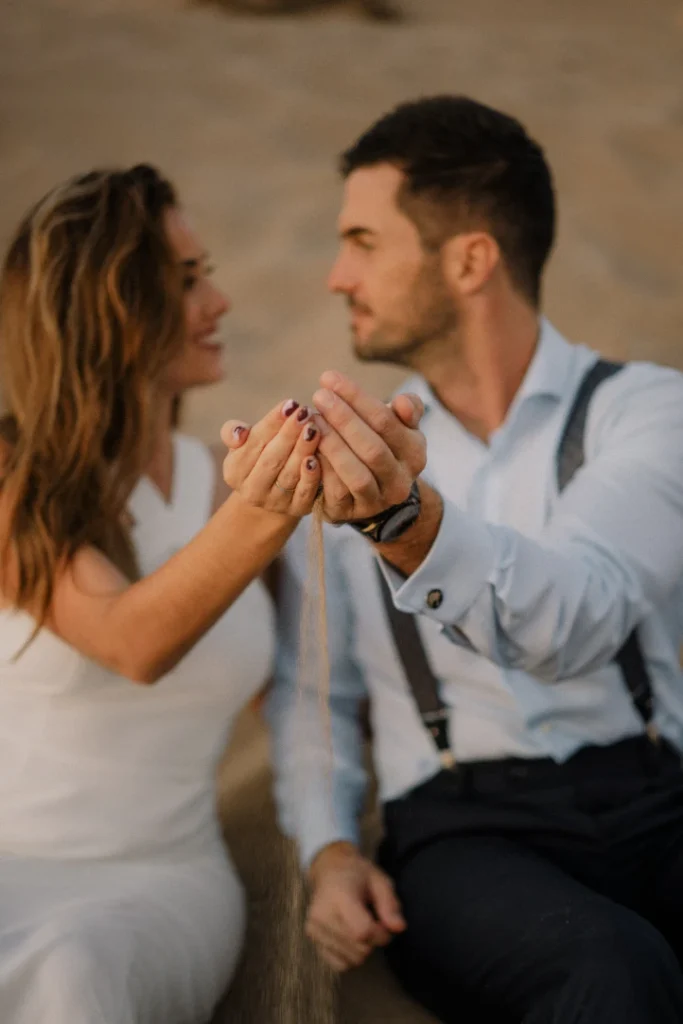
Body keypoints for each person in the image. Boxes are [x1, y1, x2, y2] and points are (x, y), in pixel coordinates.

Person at [266, 95, 683, 1023]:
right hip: (463, 832)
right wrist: (330, 850)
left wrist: (402, 519)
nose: (338, 275)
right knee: (610, 969)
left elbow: (574, 620)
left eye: (363, 242)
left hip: (656, 789)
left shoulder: (649, 413)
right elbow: (313, 696)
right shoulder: (348, 458)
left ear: (469, 259)